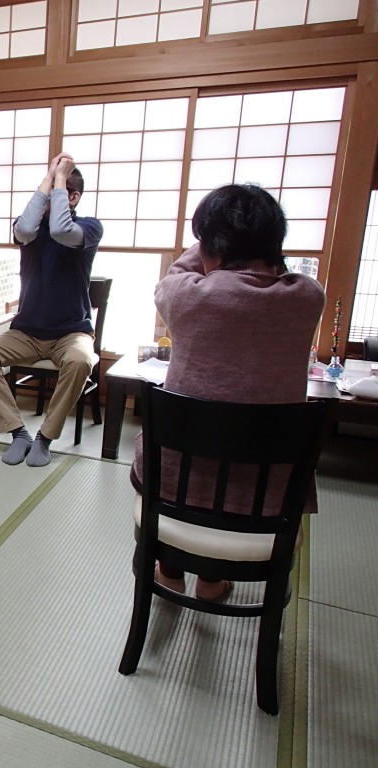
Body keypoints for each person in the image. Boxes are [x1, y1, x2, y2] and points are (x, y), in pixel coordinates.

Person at [130, 183, 326, 602]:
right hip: (268, 499)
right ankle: (212, 581)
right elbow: (280, 271)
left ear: (210, 246)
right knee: (235, 469)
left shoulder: (185, 295)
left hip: (176, 488)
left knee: (175, 459)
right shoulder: (308, 298)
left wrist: (205, 242)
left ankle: (172, 571)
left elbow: (177, 272)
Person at [0, 152, 104, 467]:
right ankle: (18, 433)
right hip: (27, 332)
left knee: (81, 360)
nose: (47, 198)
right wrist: (48, 179)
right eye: (46, 191)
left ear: (73, 197)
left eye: (58, 191)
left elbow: (61, 231)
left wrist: (60, 179)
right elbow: (24, 229)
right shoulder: (29, 229)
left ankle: (45, 437)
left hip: (71, 332)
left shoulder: (89, 227)